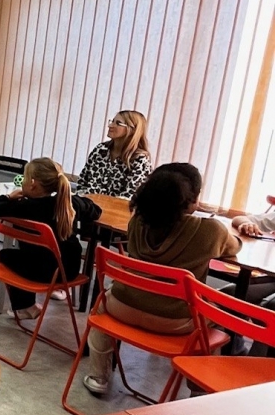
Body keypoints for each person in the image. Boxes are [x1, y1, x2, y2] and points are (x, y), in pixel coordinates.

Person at [82, 163, 243, 394]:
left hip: (122, 307)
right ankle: (200, 390)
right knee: (218, 315)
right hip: (176, 322)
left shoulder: (136, 222)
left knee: (101, 306)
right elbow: (234, 246)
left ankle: (98, 377)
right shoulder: (210, 231)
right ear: (192, 199)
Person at [0, 158, 102, 320]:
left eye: (24, 177)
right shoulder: (69, 204)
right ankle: (37, 301)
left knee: (5, 254)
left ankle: (25, 307)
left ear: (32, 184)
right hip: (67, 270)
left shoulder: (23, 206)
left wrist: (8, 197)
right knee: (32, 256)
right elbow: (96, 211)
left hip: (40, 270)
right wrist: (72, 199)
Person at [78, 110, 153, 198]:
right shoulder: (100, 150)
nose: (110, 125)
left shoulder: (140, 160)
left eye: (118, 123)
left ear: (132, 130)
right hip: (87, 204)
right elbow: (82, 181)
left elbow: (128, 198)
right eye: (112, 121)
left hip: (115, 206)